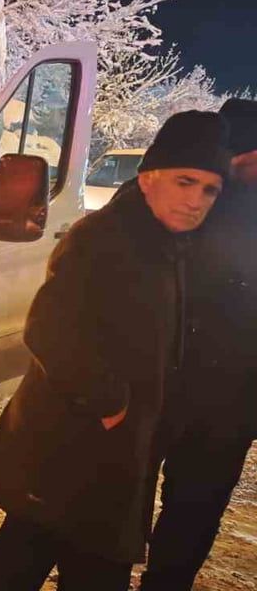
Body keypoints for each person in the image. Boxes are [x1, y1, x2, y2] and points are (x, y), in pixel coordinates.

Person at [0, 111, 232, 591]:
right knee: (34, 560)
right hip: (73, 444)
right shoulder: (107, 239)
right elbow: (48, 327)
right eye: (185, 181)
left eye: (209, 190)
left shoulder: (165, 243)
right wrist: (109, 402)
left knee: (47, 559)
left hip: (107, 455)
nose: (196, 200)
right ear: (150, 178)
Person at [140, 99, 257, 590]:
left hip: (225, 400)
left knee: (191, 510)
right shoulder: (191, 197)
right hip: (163, 386)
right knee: (126, 501)